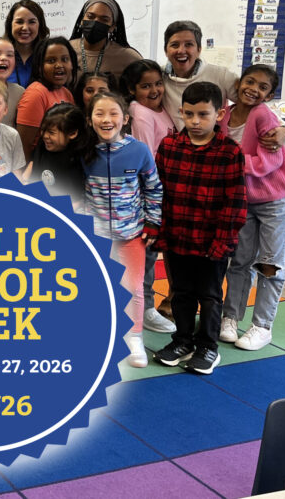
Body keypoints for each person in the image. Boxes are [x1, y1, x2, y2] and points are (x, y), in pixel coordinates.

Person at [153, 81, 247, 375]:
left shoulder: (229, 152)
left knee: (209, 295)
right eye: (189, 114)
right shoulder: (169, 146)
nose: (195, 121)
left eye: (203, 114)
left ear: (219, 114)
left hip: (211, 241)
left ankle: (207, 346)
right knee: (180, 292)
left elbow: (235, 202)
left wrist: (223, 241)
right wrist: (158, 230)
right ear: (181, 112)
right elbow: (158, 192)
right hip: (176, 236)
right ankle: (183, 340)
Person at [82, 91, 162, 368]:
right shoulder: (84, 152)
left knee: (134, 287)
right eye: (99, 113)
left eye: (113, 113)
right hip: (95, 236)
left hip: (131, 234)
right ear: (90, 120)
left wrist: (153, 222)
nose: (107, 119)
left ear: (125, 119)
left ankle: (134, 336)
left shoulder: (138, 150)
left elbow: (153, 188)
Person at [220, 65, 285, 351]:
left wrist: (230, 161)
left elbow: (269, 162)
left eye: (262, 87)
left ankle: (262, 326)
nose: (253, 89)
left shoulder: (264, 115)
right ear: (239, 83)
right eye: (250, 82)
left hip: (273, 200)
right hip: (243, 200)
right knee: (240, 261)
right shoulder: (224, 115)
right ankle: (230, 317)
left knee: (269, 263)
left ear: (269, 95)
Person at [161, 20, 285, 155]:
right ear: (166, 51)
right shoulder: (159, 79)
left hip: (213, 153)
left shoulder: (221, 75)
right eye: (174, 45)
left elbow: (253, 100)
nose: (181, 50)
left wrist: (284, 127)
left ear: (199, 49)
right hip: (181, 152)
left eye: (189, 44)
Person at [119, 60, 177, 334]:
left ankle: (143, 306)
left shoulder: (160, 109)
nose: (154, 90)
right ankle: (144, 309)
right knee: (145, 254)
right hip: (147, 196)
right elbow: (147, 161)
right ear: (132, 89)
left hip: (160, 193)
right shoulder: (140, 113)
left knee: (151, 253)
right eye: (145, 86)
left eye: (157, 84)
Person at [16, 36, 77, 159]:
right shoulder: (36, 93)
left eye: (65, 59)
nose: (59, 65)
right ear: (40, 66)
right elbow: (23, 146)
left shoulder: (66, 92)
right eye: (51, 61)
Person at [23, 102, 87, 203]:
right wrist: (24, 182)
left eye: (51, 132)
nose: (45, 136)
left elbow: (76, 201)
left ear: (72, 133)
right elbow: (32, 163)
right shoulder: (43, 145)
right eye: (43, 130)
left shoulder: (77, 161)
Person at [68, 0, 141, 83]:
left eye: (104, 20)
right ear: (82, 19)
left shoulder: (128, 57)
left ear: (112, 27)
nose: (95, 22)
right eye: (90, 16)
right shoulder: (66, 50)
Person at [2, 0, 50, 88]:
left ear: (40, 25)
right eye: (19, 22)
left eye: (32, 22)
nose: (25, 28)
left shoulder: (49, 57)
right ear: (10, 24)